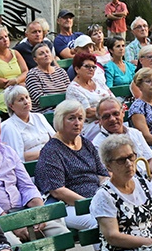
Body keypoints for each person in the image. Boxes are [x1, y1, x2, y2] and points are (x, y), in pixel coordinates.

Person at [36, 100, 109, 234]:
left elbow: (102, 174)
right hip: (69, 206)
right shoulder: (51, 151)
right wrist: (90, 204)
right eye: (71, 118)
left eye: (80, 118)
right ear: (59, 121)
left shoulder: (86, 143)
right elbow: (58, 191)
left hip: (96, 201)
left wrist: (106, 195)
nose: (77, 123)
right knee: (100, 222)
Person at [91, 97, 152, 177]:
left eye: (116, 114)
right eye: (106, 116)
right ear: (99, 120)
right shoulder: (98, 144)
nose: (112, 119)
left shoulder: (135, 133)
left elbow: (151, 160)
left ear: (123, 112)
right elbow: (108, 174)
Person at [0, 85, 55, 161]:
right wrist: (47, 152)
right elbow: (18, 157)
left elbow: (56, 140)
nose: (26, 102)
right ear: (11, 106)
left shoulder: (39, 117)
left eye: (27, 97)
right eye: (21, 100)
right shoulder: (8, 127)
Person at [65, 51, 112, 138]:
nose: (91, 69)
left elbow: (113, 99)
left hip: (106, 119)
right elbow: (88, 112)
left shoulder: (98, 81)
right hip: (88, 126)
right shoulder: (73, 89)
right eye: (87, 66)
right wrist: (110, 111)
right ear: (77, 69)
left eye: (94, 67)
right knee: (113, 126)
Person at [25, 41, 70, 114]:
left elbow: (70, 92)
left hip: (64, 109)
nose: (46, 55)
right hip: (44, 112)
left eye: (47, 52)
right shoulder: (32, 74)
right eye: (41, 54)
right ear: (35, 59)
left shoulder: (61, 71)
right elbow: (40, 100)